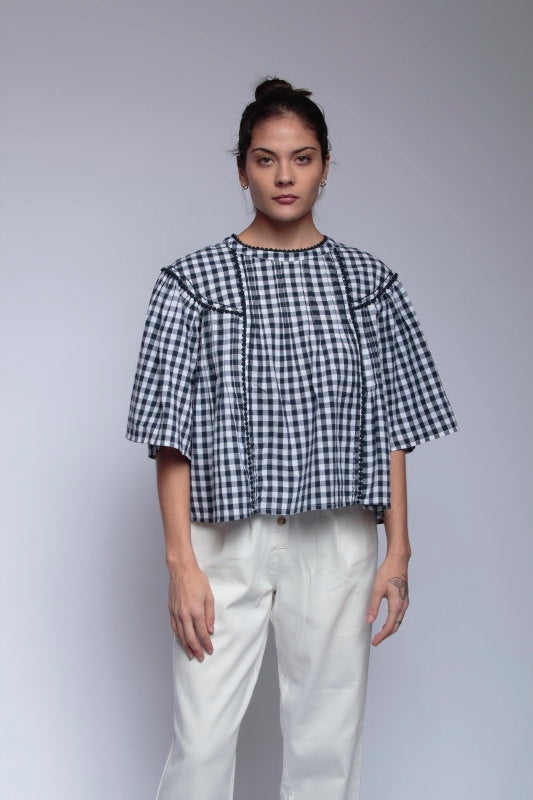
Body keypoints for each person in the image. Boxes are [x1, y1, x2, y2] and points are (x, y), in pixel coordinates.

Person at [125, 77, 459, 800]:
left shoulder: (369, 285)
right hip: (222, 536)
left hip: (336, 536)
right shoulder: (190, 283)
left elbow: (394, 426)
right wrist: (180, 562)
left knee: (325, 746)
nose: (284, 176)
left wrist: (398, 551)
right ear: (241, 168)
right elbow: (168, 436)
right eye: (266, 159)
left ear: (326, 166)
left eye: (301, 158)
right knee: (201, 745)